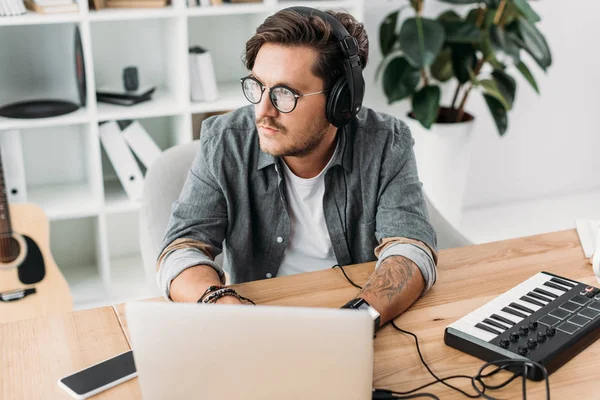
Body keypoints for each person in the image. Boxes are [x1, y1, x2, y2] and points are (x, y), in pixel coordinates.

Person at [156, 7, 438, 331]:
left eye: (284, 94)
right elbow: (181, 250)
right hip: (256, 318)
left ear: (340, 102)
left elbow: (411, 249)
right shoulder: (224, 142)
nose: (262, 111)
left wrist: (355, 324)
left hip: (359, 309)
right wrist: (225, 308)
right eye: (257, 86)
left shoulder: (386, 142)